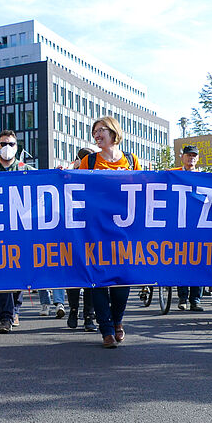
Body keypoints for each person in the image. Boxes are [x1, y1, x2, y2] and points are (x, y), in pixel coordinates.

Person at [82, 116, 141, 348]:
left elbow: (143, 189)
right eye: (94, 132)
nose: (96, 135)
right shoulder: (89, 161)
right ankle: (106, 330)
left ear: (114, 132)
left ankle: (117, 321)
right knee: (98, 281)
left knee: (122, 281)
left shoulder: (131, 160)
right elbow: (73, 185)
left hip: (124, 231)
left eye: (100, 130)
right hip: (95, 230)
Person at [0, 130, 34, 333]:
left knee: (18, 271)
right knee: (1, 271)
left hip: (20, 229)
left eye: (11, 144)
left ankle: (15, 309)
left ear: (17, 147)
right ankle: (6, 317)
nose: (7, 147)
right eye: (3, 143)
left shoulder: (25, 169)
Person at [66, 148, 97, 331]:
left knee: (91, 276)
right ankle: (73, 310)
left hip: (91, 233)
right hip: (73, 233)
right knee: (74, 275)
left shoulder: (95, 177)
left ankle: (89, 315)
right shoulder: (69, 177)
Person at [171, 144, 204, 311]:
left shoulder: (204, 177)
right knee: (181, 261)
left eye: (194, 156)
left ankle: (195, 299)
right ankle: (183, 297)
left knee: (199, 261)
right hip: (179, 222)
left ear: (197, 159)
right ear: (182, 157)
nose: (191, 158)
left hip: (198, 223)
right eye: (188, 155)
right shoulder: (173, 174)